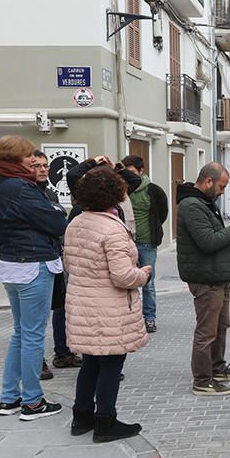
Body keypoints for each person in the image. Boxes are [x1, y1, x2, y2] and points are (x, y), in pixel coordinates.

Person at [64, 166, 151, 442]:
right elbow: (123, 275)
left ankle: (81, 416)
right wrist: (144, 274)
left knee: (91, 361)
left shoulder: (76, 223)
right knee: (112, 364)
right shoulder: (111, 229)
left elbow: (70, 264)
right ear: (115, 195)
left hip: (83, 304)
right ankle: (105, 421)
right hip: (108, 308)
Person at [0, 135, 67, 420]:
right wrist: (55, 209)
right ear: (14, 159)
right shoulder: (20, 187)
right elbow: (58, 222)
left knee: (20, 333)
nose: (33, 160)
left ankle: (9, 398)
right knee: (32, 335)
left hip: (12, 264)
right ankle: (32, 402)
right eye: (28, 156)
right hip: (33, 265)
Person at [176, 163, 230, 396]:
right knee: (206, 331)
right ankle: (202, 380)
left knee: (220, 325)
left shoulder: (203, 203)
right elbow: (207, 241)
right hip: (205, 277)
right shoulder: (191, 205)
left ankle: (217, 367)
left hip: (217, 274)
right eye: (221, 186)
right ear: (208, 182)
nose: (222, 191)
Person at [31, 150, 81, 374]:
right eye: (36, 165)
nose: (42, 169)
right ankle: (36, 361)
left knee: (60, 307)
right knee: (36, 319)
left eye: (45, 165)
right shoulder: (24, 195)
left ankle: (62, 353)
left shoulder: (49, 195)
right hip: (33, 263)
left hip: (55, 259)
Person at [121, 154, 169, 333]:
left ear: (141, 171)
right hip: (125, 243)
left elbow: (162, 212)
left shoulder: (153, 190)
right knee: (126, 282)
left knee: (148, 283)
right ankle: (130, 319)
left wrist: (153, 230)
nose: (129, 175)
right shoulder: (123, 190)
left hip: (147, 243)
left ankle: (149, 318)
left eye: (132, 172)